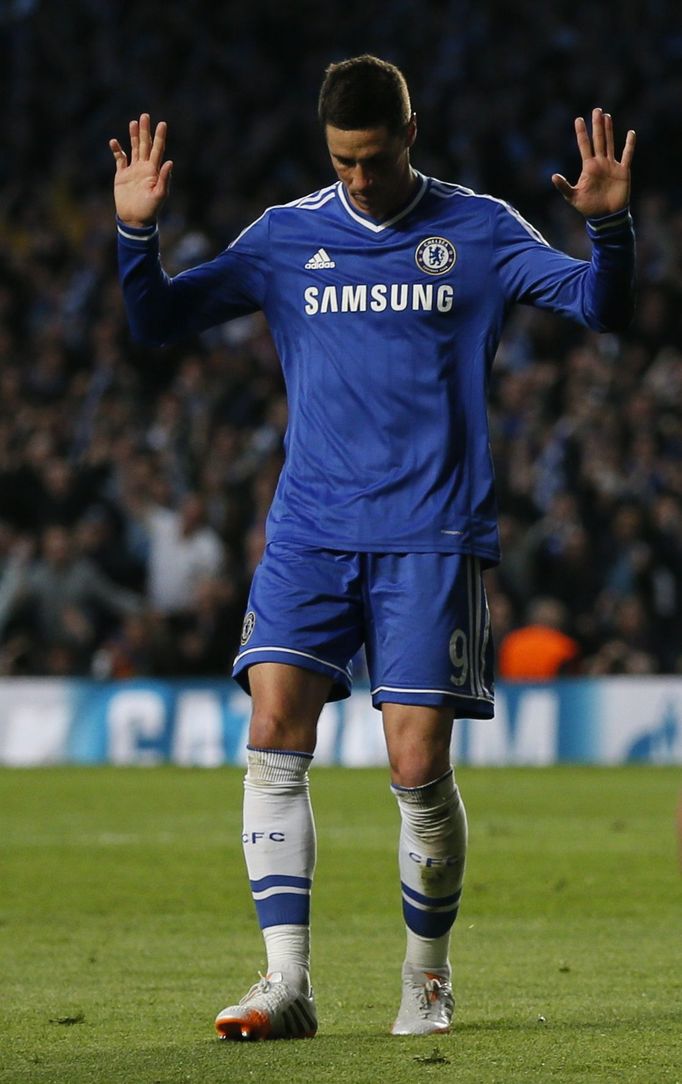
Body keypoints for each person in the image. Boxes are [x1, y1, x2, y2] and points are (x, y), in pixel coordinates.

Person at [110, 55, 636, 1039]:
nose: (355, 177)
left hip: (428, 537)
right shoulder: (286, 236)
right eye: (340, 161)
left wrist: (607, 229)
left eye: (370, 157)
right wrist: (137, 233)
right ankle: (285, 982)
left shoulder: (477, 229)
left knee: (414, 765)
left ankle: (426, 977)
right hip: (310, 529)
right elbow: (157, 320)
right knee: (272, 733)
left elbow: (599, 309)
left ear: (408, 133)